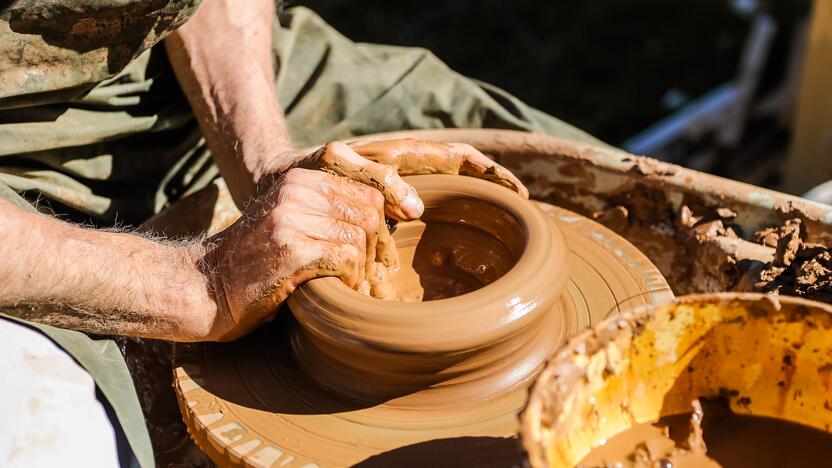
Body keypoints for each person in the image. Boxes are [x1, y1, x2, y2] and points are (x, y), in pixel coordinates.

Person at [0, 1, 602, 466]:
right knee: (47, 438)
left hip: (181, 71)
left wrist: (264, 159)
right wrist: (202, 283)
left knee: (575, 179)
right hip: (15, 170)